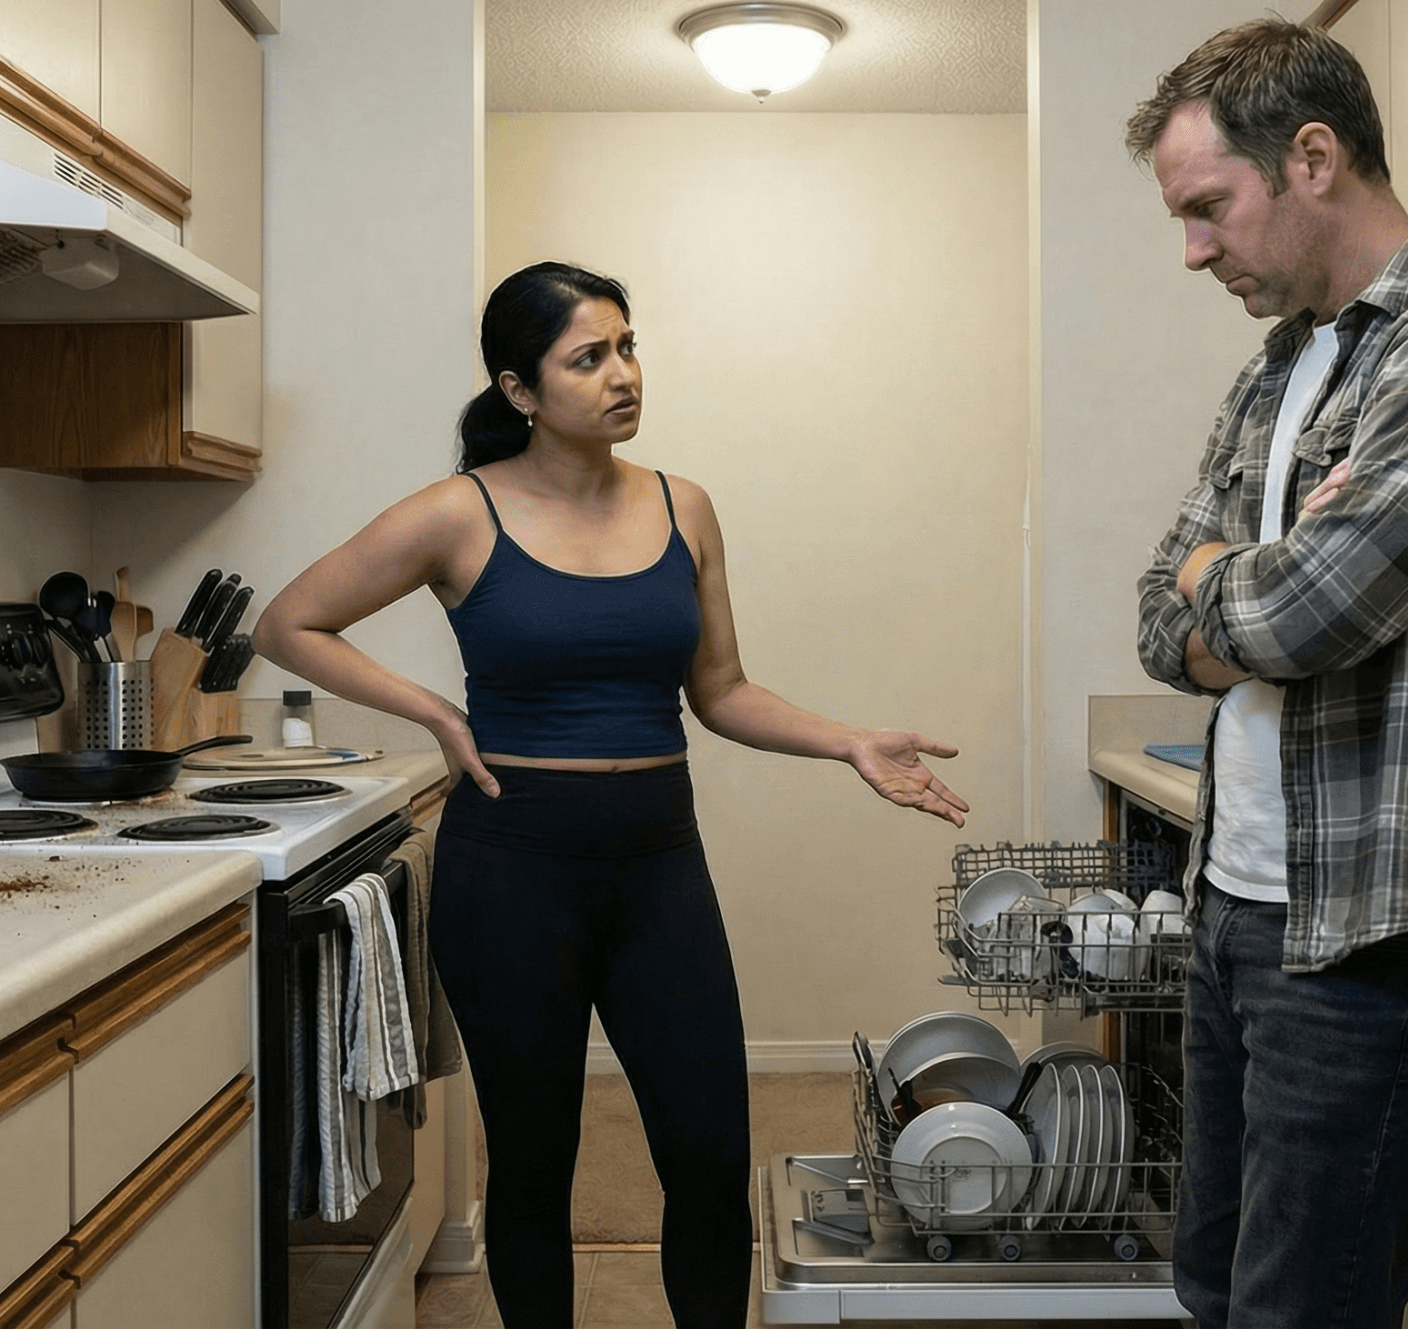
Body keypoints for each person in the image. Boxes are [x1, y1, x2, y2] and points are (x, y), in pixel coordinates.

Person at [256, 261, 967, 1328]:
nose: (622, 374)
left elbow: (719, 689)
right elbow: (288, 622)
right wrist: (436, 714)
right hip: (510, 871)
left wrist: (848, 740)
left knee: (709, 1156)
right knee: (535, 1166)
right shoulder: (461, 511)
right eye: (587, 357)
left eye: (627, 346)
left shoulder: (685, 507)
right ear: (520, 390)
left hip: (657, 869)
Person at [1125, 20, 1408, 1328]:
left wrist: (1238, 572)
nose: (1194, 249)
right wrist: (1248, 573)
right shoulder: (1284, 365)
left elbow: (1313, 607)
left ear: (1312, 156)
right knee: (1212, 1284)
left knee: (1305, 1308)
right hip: (1239, 903)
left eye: (1210, 207)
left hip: (1379, 934)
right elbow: (1160, 619)